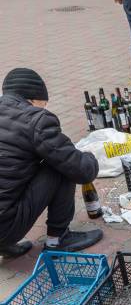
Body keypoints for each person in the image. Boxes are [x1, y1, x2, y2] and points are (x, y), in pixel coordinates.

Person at [0, 68, 103, 258]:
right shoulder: (36, 120)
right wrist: (89, 157)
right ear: (31, 99)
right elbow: (81, 171)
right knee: (60, 165)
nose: (44, 108)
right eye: (43, 103)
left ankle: (4, 245)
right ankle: (58, 239)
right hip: (5, 226)